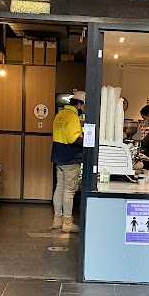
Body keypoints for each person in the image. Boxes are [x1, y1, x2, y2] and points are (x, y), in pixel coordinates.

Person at [51, 90, 85, 233]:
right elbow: (73, 139)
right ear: (79, 104)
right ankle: (67, 224)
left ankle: (57, 220)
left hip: (58, 157)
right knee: (69, 190)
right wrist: (87, 140)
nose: (84, 109)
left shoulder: (60, 114)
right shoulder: (73, 116)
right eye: (84, 106)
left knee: (59, 188)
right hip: (70, 158)